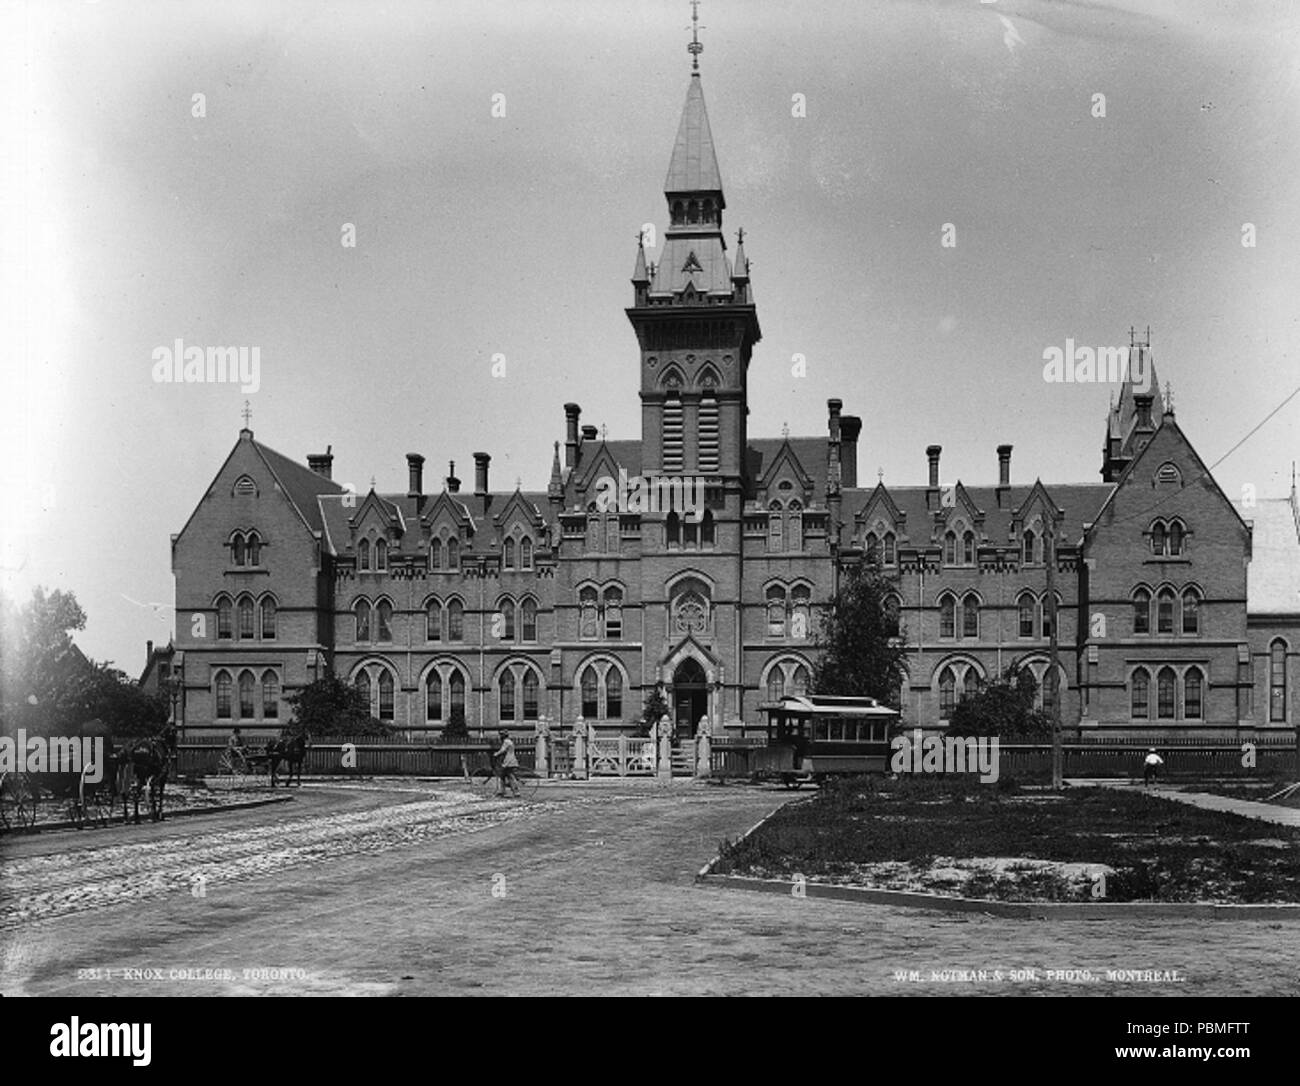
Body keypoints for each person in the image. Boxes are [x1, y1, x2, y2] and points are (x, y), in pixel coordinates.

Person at [494, 729, 520, 798]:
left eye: (500, 736)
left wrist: (496, 754)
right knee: (507, 775)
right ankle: (507, 790)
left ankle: (503, 791)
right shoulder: (510, 741)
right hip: (511, 760)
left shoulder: (506, 742)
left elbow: (502, 750)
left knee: (504, 775)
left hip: (508, 761)